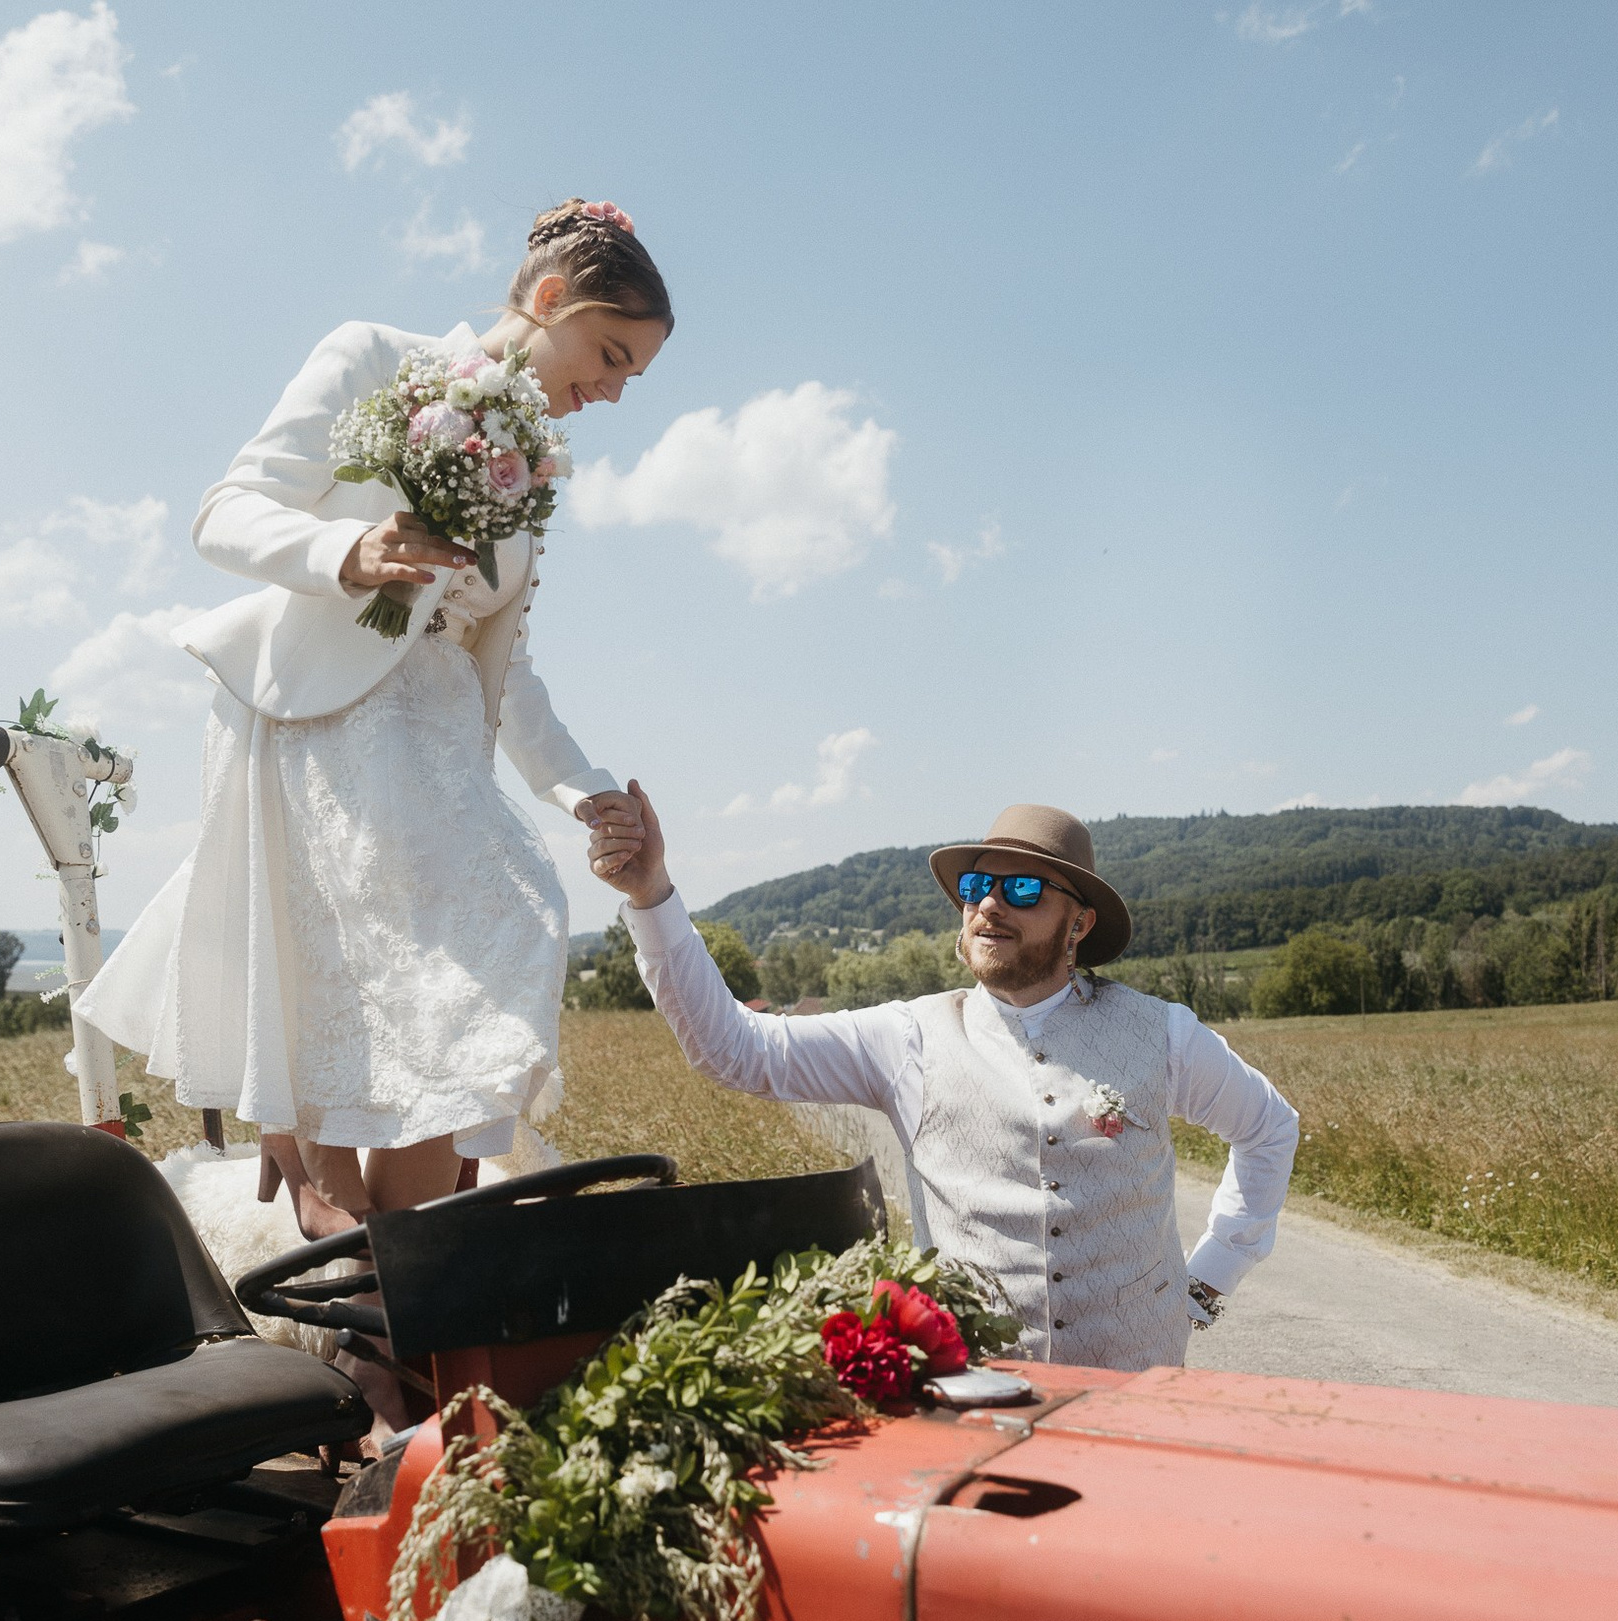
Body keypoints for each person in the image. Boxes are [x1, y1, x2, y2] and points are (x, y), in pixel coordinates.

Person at [79, 199, 671, 1244]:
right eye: (609, 353)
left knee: (511, 922)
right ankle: (318, 1170)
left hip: (439, 731)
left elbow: (506, 662)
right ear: (545, 301)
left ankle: (403, 1231)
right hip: (320, 707)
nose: (614, 389)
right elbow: (226, 509)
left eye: (633, 375)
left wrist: (584, 789)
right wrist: (345, 553)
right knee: (440, 928)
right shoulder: (371, 356)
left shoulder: (535, 467)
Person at [584, 793, 1299, 1372]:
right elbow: (734, 1050)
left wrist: (1210, 1278)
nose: (990, 905)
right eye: (976, 886)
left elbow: (1268, 1126)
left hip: (1139, 1388)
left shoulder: (1162, 1033)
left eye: (1021, 889)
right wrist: (652, 895)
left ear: (1078, 922)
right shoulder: (909, 1036)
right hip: (977, 1389)